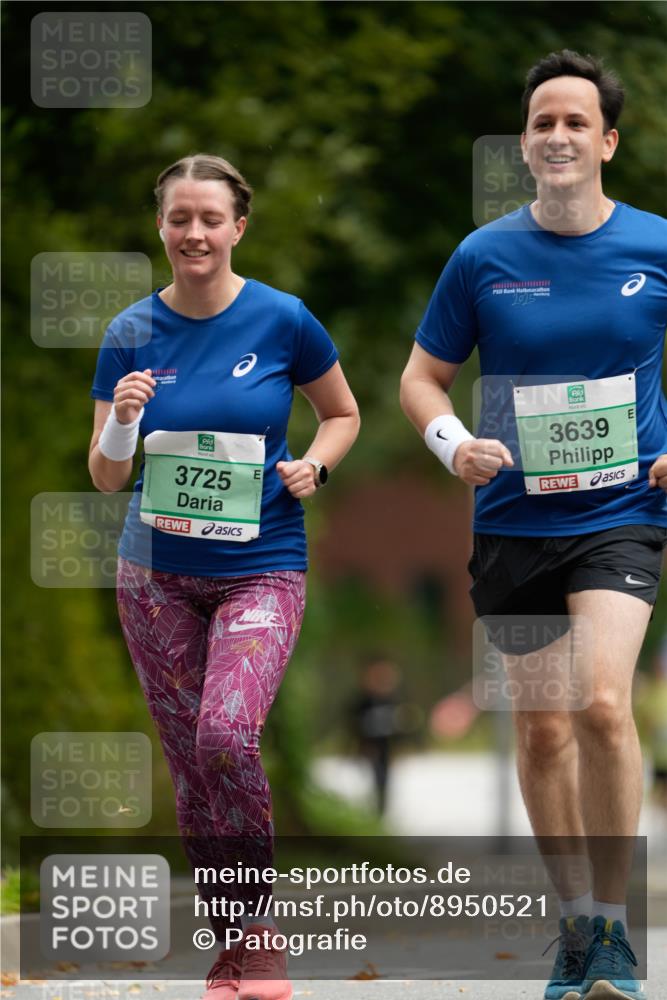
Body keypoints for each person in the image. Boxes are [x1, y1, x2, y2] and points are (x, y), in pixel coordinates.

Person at [400, 50, 667, 1000]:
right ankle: (576, 931)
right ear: (525, 144)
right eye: (540, 122)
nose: (556, 135)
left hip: (623, 513)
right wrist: (451, 444)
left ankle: (615, 926)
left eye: (574, 122)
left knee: (601, 703)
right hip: (511, 518)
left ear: (606, 141)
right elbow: (420, 377)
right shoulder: (483, 258)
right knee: (544, 731)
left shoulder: (655, 245)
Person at [88, 153, 360, 1000]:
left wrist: (316, 465)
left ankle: (261, 927)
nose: (194, 233)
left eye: (210, 218)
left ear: (238, 227)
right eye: (179, 219)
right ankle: (230, 938)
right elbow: (102, 475)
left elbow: (342, 413)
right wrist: (125, 422)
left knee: (223, 737)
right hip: (155, 575)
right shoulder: (130, 332)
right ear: (160, 227)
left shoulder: (283, 320)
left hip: (262, 567)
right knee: (187, 759)